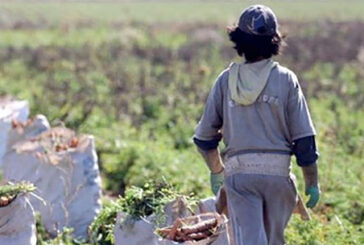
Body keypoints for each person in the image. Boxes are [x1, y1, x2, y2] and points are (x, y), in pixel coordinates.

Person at [193, 4, 320, 245]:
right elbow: (304, 141)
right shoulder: (285, 79)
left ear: (238, 40)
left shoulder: (225, 81)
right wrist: (312, 183)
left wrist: (217, 171)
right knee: (273, 241)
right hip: (278, 178)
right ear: (274, 40)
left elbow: (204, 138)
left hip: (241, 178)